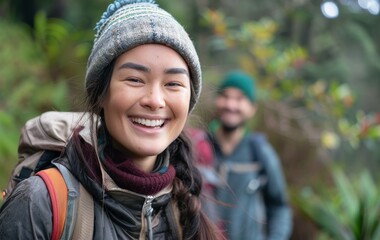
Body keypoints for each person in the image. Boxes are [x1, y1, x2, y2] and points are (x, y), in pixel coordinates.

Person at [0, 0, 223, 239]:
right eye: (135, 79)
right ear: (101, 94)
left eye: (173, 84)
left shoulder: (187, 209)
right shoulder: (41, 203)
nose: (155, 100)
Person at [207, 70, 293, 240]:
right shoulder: (199, 147)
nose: (231, 105)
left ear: (252, 109)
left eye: (240, 99)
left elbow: (279, 207)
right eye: (225, 96)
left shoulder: (260, 153)